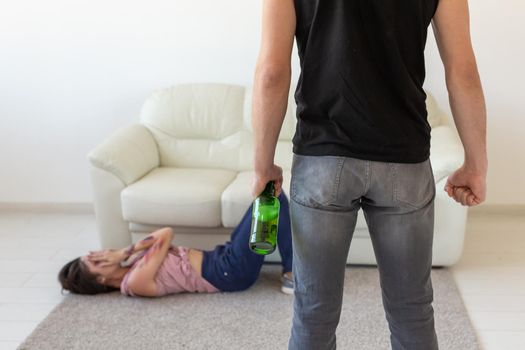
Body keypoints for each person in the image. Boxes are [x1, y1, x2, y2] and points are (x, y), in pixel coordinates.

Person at [251, 1, 487, 349]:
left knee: (313, 316)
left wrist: (262, 166)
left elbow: (271, 72)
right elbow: (463, 72)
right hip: (403, 159)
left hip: (322, 159)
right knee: (412, 313)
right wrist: (476, 165)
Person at [58, 192, 294, 297]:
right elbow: (165, 234)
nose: (103, 254)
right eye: (97, 261)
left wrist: (124, 254)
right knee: (271, 199)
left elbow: (163, 234)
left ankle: (293, 269)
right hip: (229, 273)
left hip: (224, 257)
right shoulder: (134, 283)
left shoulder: (133, 265)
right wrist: (122, 251)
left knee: (267, 199)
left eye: (95, 253)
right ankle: (293, 275)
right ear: (101, 279)